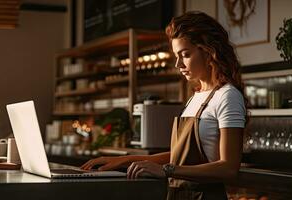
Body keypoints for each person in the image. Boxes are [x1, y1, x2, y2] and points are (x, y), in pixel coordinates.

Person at [81, 11, 247, 200]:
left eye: (185, 55)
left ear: (209, 51)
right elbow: (178, 156)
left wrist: (166, 170)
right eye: (176, 55)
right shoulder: (196, 97)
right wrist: (122, 160)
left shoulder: (228, 96)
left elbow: (228, 168)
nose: (178, 64)